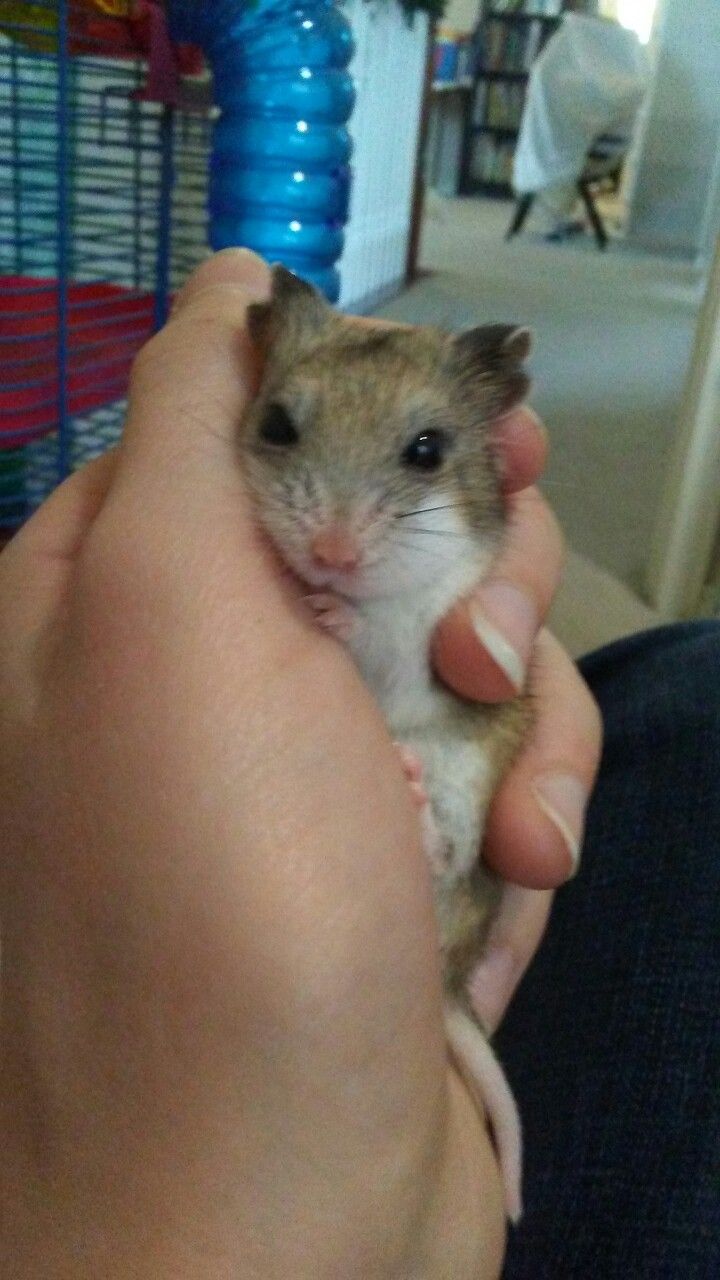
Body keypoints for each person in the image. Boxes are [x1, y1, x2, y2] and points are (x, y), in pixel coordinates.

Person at [0, 251, 713, 1277]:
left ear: (472, 442)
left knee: (640, 689)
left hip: (436, 790)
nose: (334, 534)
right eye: (286, 431)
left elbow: (428, 664)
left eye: (419, 452)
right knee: (691, 686)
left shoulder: (463, 551)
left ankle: (432, 859)